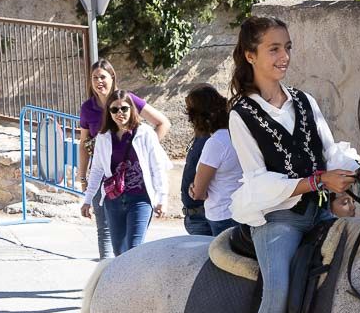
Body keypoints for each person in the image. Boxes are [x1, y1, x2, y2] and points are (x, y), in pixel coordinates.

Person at [226, 15, 360, 313]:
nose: (284, 56)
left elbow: (330, 154)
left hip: (322, 212)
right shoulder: (241, 114)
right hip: (278, 221)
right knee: (276, 292)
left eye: (287, 47)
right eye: (274, 48)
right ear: (250, 55)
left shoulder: (305, 101)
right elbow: (257, 182)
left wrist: (358, 170)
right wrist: (314, 182)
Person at [78, 60, 172, 257]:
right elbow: (88, 151)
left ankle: (128, 283)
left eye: (103, 77)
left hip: (139, 195)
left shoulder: (141, 126)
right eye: (94, 78)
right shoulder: (95, 121)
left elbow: (162, 127)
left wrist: (143, 148)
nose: (119, 113)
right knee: (114, 245)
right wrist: (83, 181)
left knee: (134, 249)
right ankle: (109, 278)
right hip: (111, 188)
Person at [188, 84, 242, 237]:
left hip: (222, 214)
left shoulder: (216, 143)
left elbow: (199, 192)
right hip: (242, 212)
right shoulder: (238, 135)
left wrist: (194, 189)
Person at [180, 85, 216, 236]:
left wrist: (195, 191)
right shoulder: (201, 136)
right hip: (196, 215)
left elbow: (199, 191)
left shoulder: (212, 139)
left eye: (191, 108)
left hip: (204, 215)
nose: (188, 114)